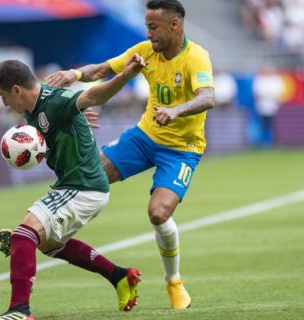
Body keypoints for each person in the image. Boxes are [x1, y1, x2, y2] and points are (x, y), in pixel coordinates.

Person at [45, 0, 216, 310]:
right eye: (146, 26)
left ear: (174, 25)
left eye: (154, 27)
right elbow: (101, 69)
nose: (148, 33)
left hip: (182, 149)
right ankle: (42, 228)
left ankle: (174, 281)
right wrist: (73, 74)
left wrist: (176, 111)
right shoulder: (145, 51)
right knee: (88, 174)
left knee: (158, 213)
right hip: (144, 137)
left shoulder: (196, 57)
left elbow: (208, 97)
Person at [0, 55, 146, 320]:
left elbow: (95, 96)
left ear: (16, 90)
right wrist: (78, 119)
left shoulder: (56, 100)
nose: (3, 102)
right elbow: (63, 117)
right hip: (75, 186)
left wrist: (127, 75)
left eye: (3, 95)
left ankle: (19, 311)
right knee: (49, 244)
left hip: (83, 186)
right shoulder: (31, 108)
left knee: (24, 235)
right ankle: (120, 276)